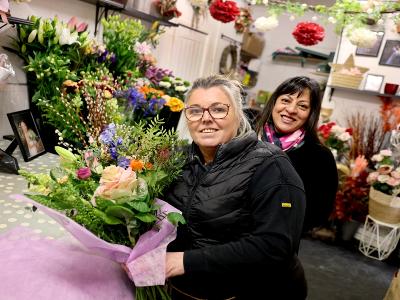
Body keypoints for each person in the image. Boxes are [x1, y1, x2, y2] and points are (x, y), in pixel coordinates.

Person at [164, 75, 307, 299]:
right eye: (195, 111)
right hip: (180, 291)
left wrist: (183, 261)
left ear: (238, 113)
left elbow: (274, 245)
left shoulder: (270, 166)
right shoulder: (177, 160)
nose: (206, 119)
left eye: (218, 109)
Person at [256, 76, 338, 234]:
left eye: (302, 106)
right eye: (286, 100)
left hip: (275, 242)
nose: (291, 109)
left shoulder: (320, 157)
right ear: (274, 102)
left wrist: (280, 232)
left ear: (311, 113)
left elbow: (319, 212)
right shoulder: (247, 136)